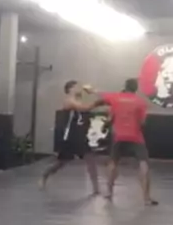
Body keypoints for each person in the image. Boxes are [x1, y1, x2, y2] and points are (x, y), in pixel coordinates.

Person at [97, 78, 157, 206]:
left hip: (118, 136)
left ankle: (109, 192)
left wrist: (106, 126)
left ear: (125, 86)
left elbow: (109, 116)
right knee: (143, 163)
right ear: (136, 88)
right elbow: (142, 123)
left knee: (113, 162)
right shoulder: (140, 102)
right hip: (135, 136)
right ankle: (146, 198)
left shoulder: (115, 98)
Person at [39, 80, 103, 192]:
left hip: (80, 136)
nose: (80, 88)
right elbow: (84, 108)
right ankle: (45, 176)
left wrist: (94, 93)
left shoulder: (79, 100)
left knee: (90, 159)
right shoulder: (69, 101)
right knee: (61, 162)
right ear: (70, 89)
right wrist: (98, 102)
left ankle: (96, 188)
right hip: (70, 136)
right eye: (76, 87)